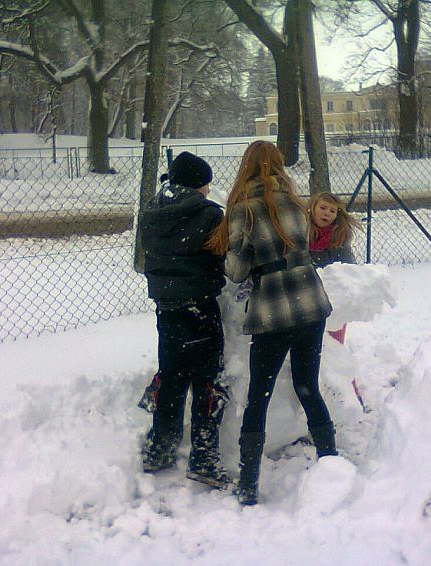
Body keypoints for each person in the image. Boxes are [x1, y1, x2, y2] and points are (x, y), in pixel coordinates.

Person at [206, 140, 337, 506]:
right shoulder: (298, 203)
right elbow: (304, 245)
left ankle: (248, 484)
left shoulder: (243, 210)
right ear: (279, 165)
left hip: (273, 311)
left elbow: (235, 271)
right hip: (310, 302)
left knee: (258, 397)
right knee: (307, 385)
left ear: (245, 167)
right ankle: (331, 463)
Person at [140, 151, 229, 489]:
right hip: (201, 306)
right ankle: (204, 457)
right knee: (208, 378)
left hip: (167, 306)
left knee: (172, 375)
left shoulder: (153, 211)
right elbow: (223, 258)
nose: (208, 191)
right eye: (205, 185)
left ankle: (160, 447)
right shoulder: (209, 214)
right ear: (197, 185)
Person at [307, 191, 362, 344]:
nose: (327, 213)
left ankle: (335, 355)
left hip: (331, 296)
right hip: (305, 291)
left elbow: (349, 267)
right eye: (323, 208)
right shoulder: (299, 232)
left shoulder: (339, 237)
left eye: (332, 211)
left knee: (332, 340)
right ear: (312, 208)